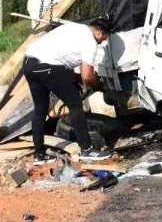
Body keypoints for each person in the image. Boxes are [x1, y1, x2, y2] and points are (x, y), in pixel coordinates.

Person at [23, 18, 113, 165]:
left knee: (40, 111)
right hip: (49, 67)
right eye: (104, 38)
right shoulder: (90, 41)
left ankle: (39, 155)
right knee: (75, 105)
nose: (102, 41)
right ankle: (87, 150)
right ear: (100, 32)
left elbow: (64, 59)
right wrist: (98, 87)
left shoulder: (74, 27)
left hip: (29, 63)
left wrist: (74, 79)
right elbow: (88, 76)